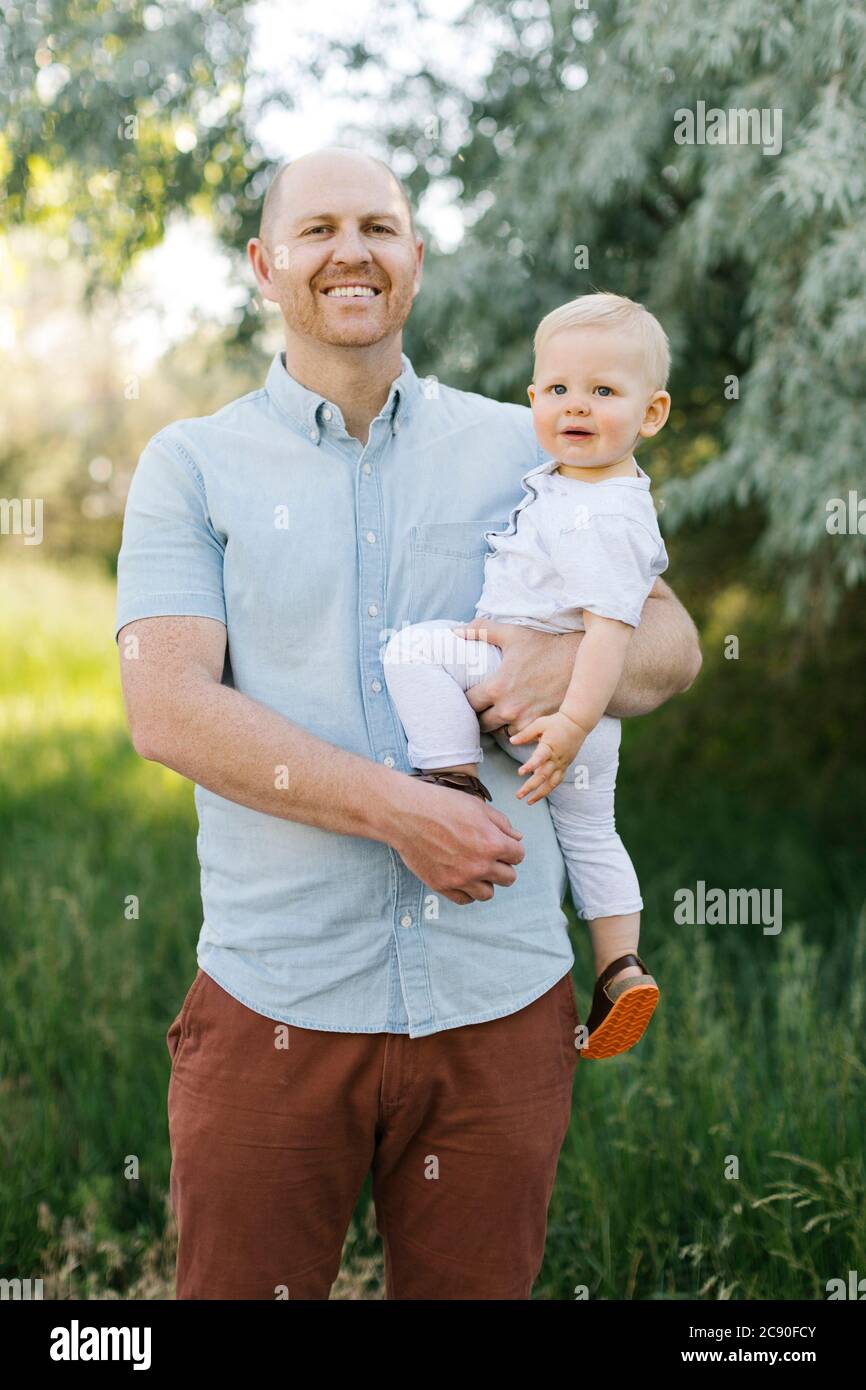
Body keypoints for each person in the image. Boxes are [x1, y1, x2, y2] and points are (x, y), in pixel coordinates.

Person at [115, 146, 702, 1300]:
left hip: (499, 1005)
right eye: (318, 228)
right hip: (277, 998)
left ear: (415, 261)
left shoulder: (529, 438)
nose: (351, 251)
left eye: (379, 227)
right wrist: (404, 815)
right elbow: (167, 706)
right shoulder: (191, 466)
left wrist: (553, 658)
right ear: (262, 263)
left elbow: (672, 641)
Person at [384, 292, 672, 1061]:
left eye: (604, 392)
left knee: (411, 653)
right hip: (572, 727)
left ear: (652, 414)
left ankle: (450, 782)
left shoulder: (605, 513)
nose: (576, 406)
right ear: (533, 398)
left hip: (550, 714)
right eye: (558, 390)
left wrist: (570, 723)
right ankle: (619, 967)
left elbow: (612, 634)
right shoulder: (574, 482)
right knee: (594, 840)